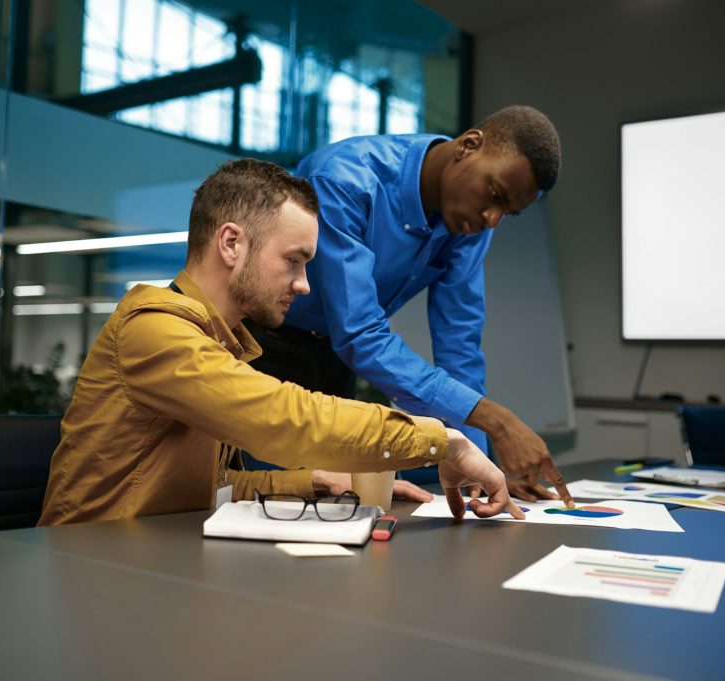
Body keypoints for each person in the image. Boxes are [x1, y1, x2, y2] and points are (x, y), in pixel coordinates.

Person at [38, 159, 523, 526]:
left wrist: (315, 482)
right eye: (294, 261)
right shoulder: (154, 331)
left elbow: (206, 489)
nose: (305, 285)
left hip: (149, 556)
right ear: (231, 243)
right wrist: (442, 441)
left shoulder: (220, 341)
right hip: (89, 565)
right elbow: (284, 417)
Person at [245, 105, 575, 506]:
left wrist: (479, 466)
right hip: (265, 346)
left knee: (336, 504)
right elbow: (360, 334)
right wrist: (497, 421)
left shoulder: (470, 225)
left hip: (334, 357)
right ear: (469, 145)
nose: (492, 219)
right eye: (495, 196)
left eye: (508, 212)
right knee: (268, 501)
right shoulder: (345, 180)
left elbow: (459, 345)